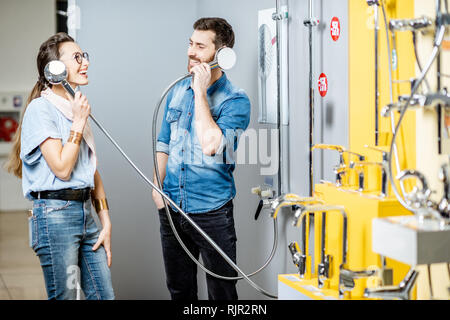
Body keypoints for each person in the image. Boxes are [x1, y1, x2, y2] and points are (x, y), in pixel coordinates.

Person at [5, 32, 114, 300]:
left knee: (104, 296)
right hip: (55, 215)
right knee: (65, 296)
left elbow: (90, 170)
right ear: (55, 69)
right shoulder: (41, 110)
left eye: (84, 55)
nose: (84, 62)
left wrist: (106, 221)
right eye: (77, 57)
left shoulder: (73, 108)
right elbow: (63, 169)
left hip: (84, 213)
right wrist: (78, 123)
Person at [153, 17, 251, 300]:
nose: (191, 52)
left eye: (200, 46)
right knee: (179, 290)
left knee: (221, 292)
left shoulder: (235, 100)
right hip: (172, 207)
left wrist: (200, 92)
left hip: (212, 212)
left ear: (222, 55)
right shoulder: (175, 91)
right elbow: (163, 143)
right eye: (190, 44)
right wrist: (156, 188)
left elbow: (212, 145)